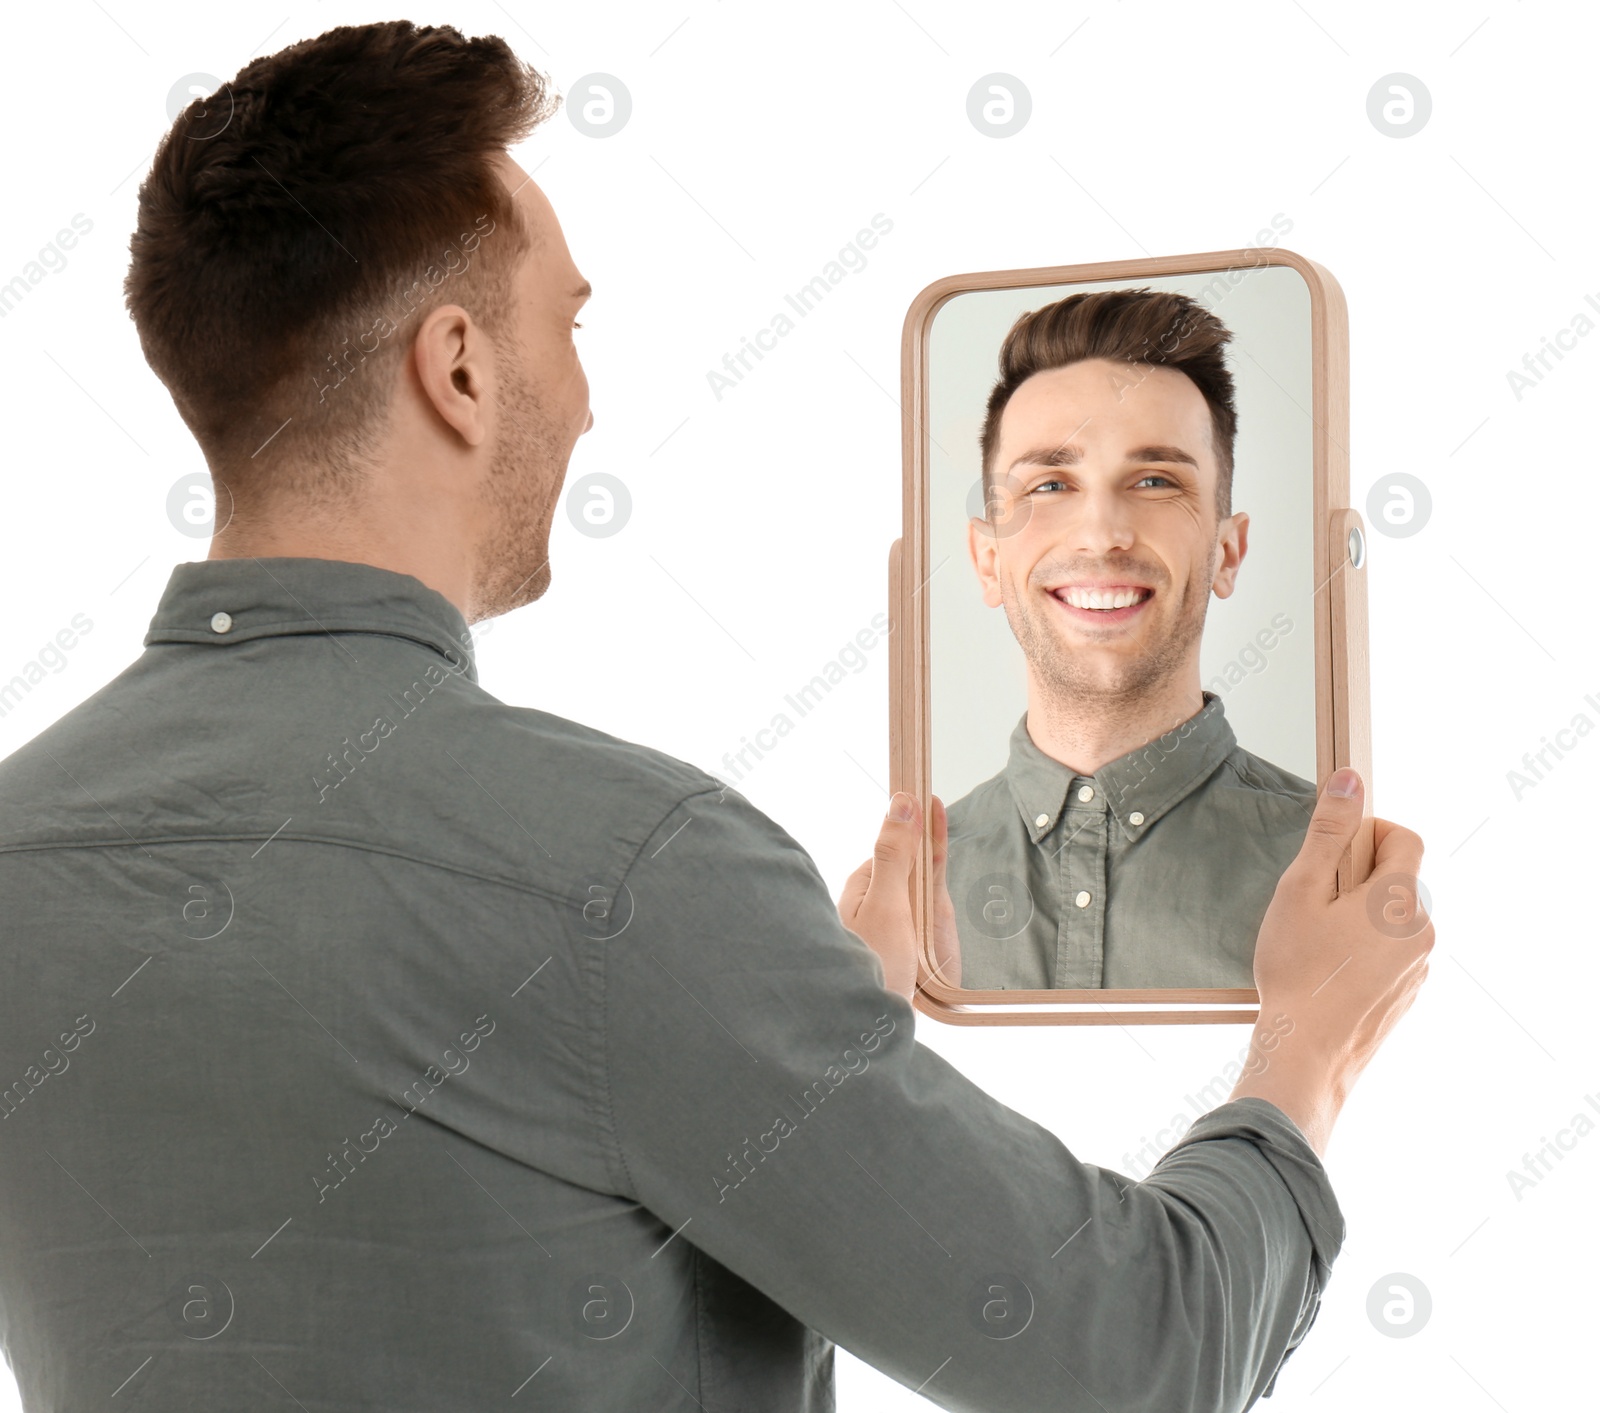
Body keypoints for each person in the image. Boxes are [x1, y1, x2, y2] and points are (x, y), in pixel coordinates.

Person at [0, 21, 1432, 1411]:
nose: (587, 401)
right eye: (564, 324)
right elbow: (1135, 1353)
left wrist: (799, 1036)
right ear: (457, 367)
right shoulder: (631, 871)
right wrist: (1305, 1043)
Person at [946, 289, 1315, 990]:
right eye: (1050, 484)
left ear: (1227, 553)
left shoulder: (1345, 879)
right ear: (988, 559)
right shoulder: (900, 900)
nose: (1101, 533)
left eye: (1154, 480)